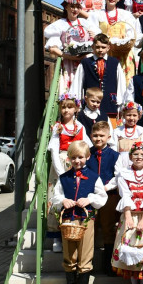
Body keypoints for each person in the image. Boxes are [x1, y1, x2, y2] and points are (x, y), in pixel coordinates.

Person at [50, 140, 107, 284]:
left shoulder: (94, 177)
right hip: (68, 220)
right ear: (69, 158)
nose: (77, 161)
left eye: (80, 157)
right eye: (73, 158)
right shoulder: (64, 178)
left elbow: (102, 197)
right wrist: (63, 201)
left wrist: (89, 199)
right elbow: (56, 196)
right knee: (69, 253)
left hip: (86, 220)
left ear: (88, 157)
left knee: (85, 252)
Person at [111, 141, 143, 284]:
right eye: (136, 154)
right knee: (129, 246)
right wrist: (128, 217)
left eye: (142, 155)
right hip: (129, 214)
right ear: (130, 157)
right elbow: (125, 196)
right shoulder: (124, 174)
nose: (139, 157)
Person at [49, 94, 87, 252]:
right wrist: (60, 172)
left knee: (75, 197)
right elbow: (53, 149)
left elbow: (85, 146)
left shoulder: (80, 127)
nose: (66, 109)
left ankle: (74, 230)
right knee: (58, 198)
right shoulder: (58, 127)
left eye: (70, 106)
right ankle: (56, 236)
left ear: (76, 108)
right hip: (62, 164)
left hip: (75, 164)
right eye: (63, 106)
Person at [44, 0, 98, 99]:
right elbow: (52, 48)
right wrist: (69, 56)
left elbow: (98, 41)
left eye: (78, 7)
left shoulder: (85, 23)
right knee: (70, 88)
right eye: (72, 6)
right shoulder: (60, 24)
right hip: (68, 63)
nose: (75, 10)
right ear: (66, 7)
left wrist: (93, 36)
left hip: (86, 61)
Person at [74, 34, 132, 126]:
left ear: (108, 48)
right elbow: (77, 83)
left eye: (103, 47)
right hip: (90, 106)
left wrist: (120, 104)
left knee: (109, 131)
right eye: (97, 47)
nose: (100, 50)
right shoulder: (85, 63)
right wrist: (77, 103)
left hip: (109, 104)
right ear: (92, 47)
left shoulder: (115, 63)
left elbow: (121, 84)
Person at [88, 121, 121, 274]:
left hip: (109, 196)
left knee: (108, 228)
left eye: (101, 135)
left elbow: (117, 176)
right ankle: (88, 264)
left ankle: (109, 265)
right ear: (90, 136)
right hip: (91, 197)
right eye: (95, 136)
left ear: (108, 136)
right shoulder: (88, 153)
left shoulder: (115, 155)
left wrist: (105, 188)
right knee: (90, 229)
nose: (98, 138)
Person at [90, 0, 139, 83]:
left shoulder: (125, 14)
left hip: (123, 52)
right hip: (105, 52)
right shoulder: (97, 14)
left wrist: (124, 41)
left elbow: (131, 32)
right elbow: (93, 31)